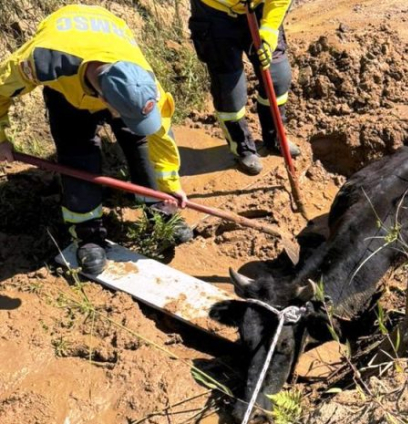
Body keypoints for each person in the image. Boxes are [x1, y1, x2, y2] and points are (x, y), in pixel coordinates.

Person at [0, 5, 193, 275]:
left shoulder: (142, 81)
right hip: (67, 86)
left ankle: (159, 209)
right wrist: (1, 138)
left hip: (107, 43)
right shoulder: (44, 60)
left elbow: (159, 136)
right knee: (78, 153)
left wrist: (170, 187)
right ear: (102, 100)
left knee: (140, 141)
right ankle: (88, 235)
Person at [189, 0, 300, 176]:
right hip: (214, 13)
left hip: (259, 10)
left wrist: (269, 31)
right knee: (230, 93)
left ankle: (275, 138)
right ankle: (242, 148)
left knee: (277, 77)